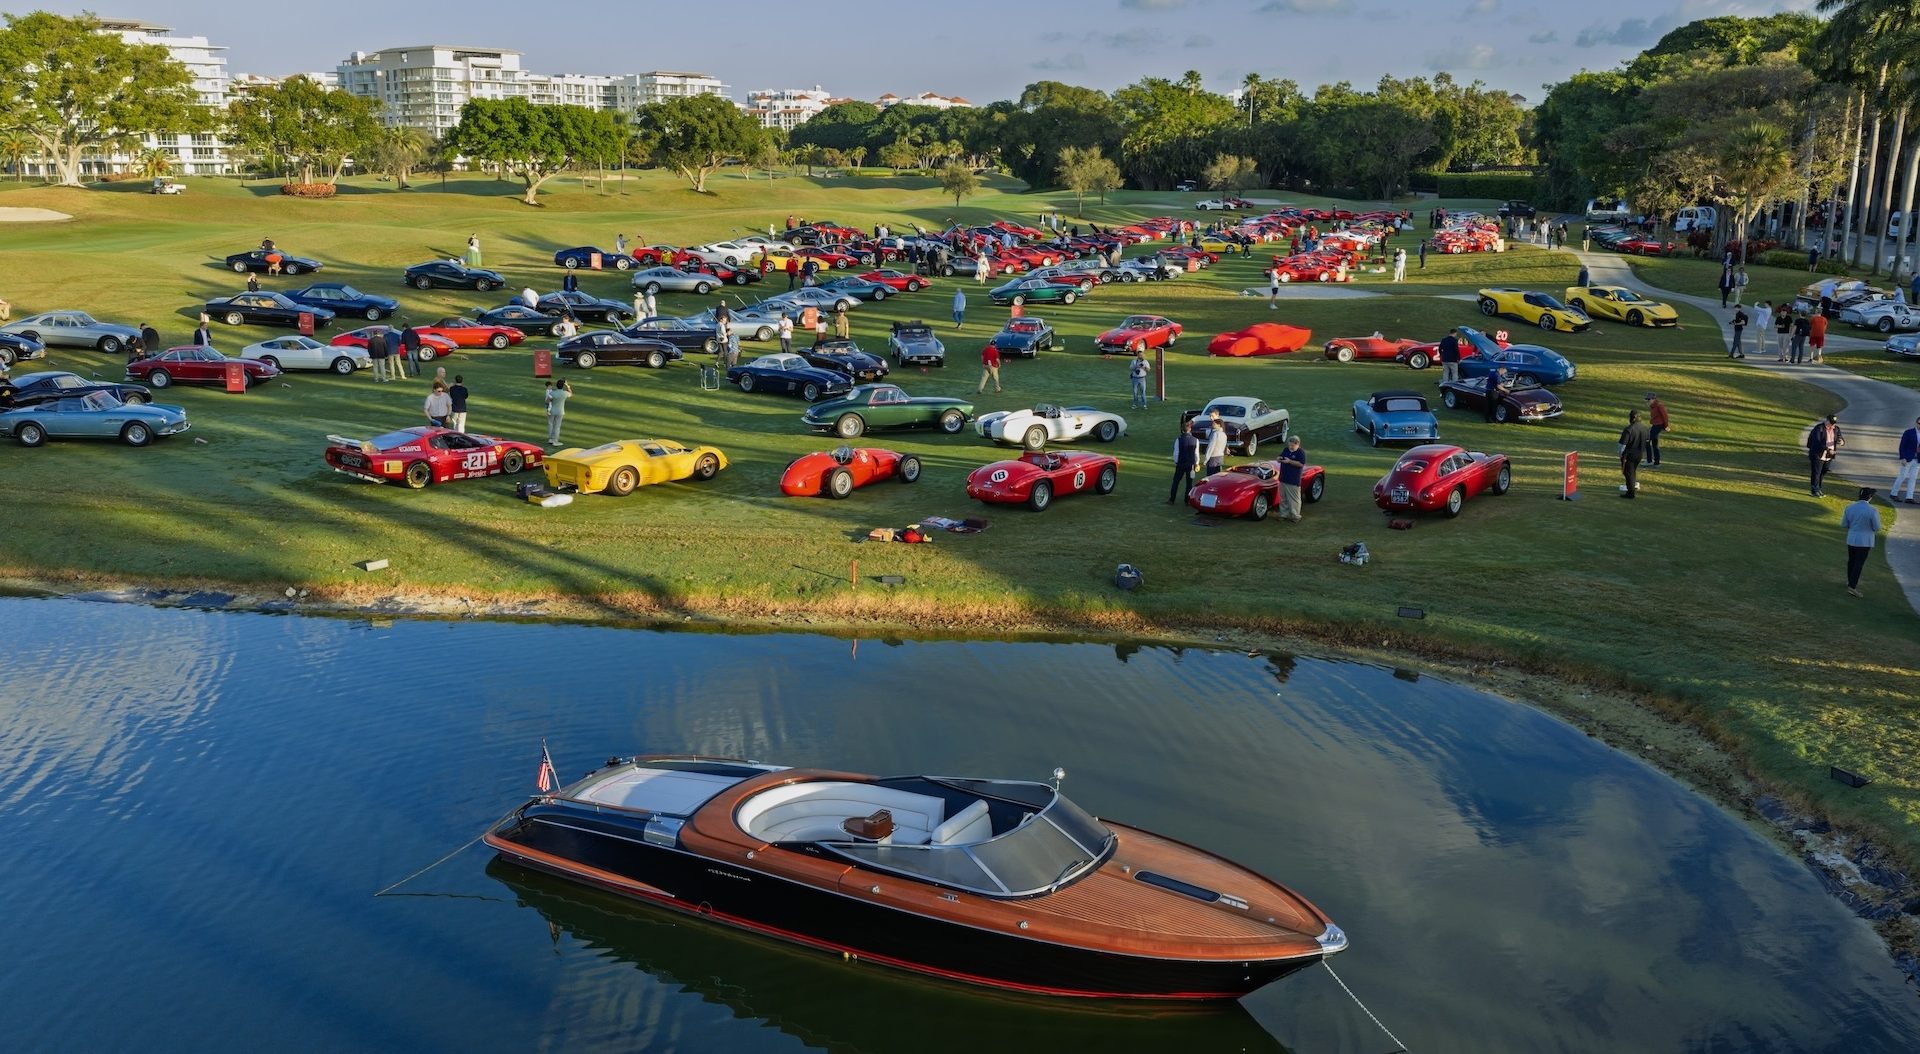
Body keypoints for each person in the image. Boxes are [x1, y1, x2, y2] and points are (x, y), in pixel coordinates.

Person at [1842, 488, 1884, 597]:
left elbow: (1844, 524)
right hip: (1865, 541)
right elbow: (1877, 527)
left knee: (1851, 561)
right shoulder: (1872, 510)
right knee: (1858, 564)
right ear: (1869, 497)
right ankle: (1852, 586)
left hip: (1852, 539)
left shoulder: (1849, 507)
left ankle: (1850, 581)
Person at [1808, 413, 1847, 497]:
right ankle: (1814, 490)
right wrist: (1828, 449)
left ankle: (1818, 488)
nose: (1832, 425)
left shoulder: (1836, 429)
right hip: (1818, 453)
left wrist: (1841, 441)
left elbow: (1840, 437)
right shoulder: (1819, 428)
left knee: (1824, 471)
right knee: (1816, 472)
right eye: (1831, 422)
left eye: (1834, 423)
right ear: (1827, 420)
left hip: (1829, 455)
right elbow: (1816, 442)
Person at [1617, 410, 1650, 498]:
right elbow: (1647, 441)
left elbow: (1622, 444)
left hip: (1629, 455)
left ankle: (1630, 493)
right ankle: (1632, 486)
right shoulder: (1645, 428)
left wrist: (1620, 454)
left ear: (1632, 418)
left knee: (1628, 472)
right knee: (1632, 471)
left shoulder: (1629, 429)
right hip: (1639, 454)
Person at [1277, 435, 1307, 522]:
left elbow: (1301, 464)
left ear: (1297, 444)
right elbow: (1281, 456)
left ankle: (1295, 516)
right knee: (1283, 498)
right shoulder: (1286, 450)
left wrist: (1289, 461)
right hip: (1283, 478)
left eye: (1292, 445)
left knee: (1294, 499)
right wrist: (1279, 458)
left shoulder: (1300, 452)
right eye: (1289, 445)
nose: (1290, 447)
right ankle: (1283, 514)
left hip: (1293, 480)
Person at [1168, 420, 1199, 504]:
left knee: (1176, 482)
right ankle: (1187, 500)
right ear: (1190, 429)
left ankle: (1172, 499)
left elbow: (1176, 453)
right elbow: (1196, 453)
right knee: (1189, 483)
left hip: (1181, 463)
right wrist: (1197, 463)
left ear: (1182, 430)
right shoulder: (1196, 440)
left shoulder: (1179, 440)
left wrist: (1176, 462)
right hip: (1191, 464)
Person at [1644, 394, 1669, 466]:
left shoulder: (1659, 406)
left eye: (1649, 399)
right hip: (1655, 425)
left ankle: (1649, 461)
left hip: (1658, 426)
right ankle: (1656, 462)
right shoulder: (1653, 407)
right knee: (1655, 444)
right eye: (1647, 400)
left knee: (1646, 440)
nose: (1647, 401)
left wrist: (1666, 426)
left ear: (1653, 399)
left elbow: (1665, 416)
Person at [1203, 410, 1228, 477]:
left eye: (1212, 416)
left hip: (1213, 458)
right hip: (1220, 457)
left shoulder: (1216, 433)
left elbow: (1211, 447)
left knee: (1211, 477)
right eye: (1210, 416)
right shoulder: (1223, 433)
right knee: (1218, 477)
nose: (1211, 418)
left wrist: (1206, 459)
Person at [547, 379, 570, 446]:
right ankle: (555, 441)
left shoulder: (552, 393)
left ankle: (550, 439)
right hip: (560, 411)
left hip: (552, 411)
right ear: (563, 386)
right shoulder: (565, 393)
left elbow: (547, 401)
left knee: (551, 424)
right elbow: (571, 394)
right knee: (557, 426)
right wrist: (568, 386)